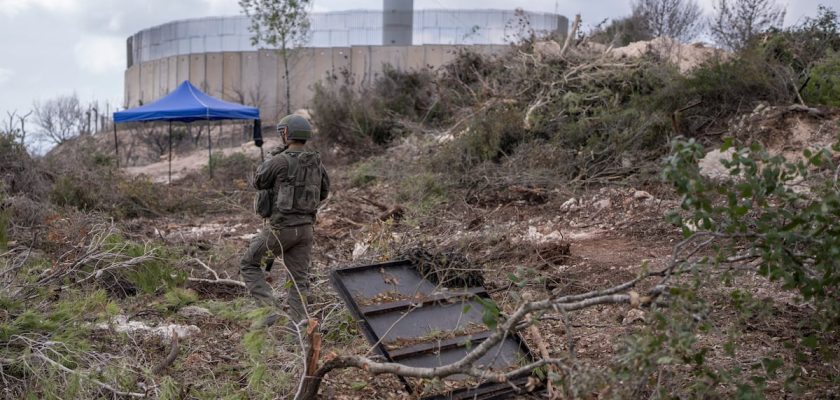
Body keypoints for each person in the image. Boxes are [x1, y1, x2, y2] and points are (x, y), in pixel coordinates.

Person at [239, 114, 330, 329]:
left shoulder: (279, 161)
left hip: (280, 230)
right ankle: (297, 332)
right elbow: (323, 192)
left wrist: (272, 157)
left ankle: (269, 311)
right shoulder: (317, 162)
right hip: (306, 231)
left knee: (249, 263)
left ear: (286, 134)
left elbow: (259, 181)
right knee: (298, 282)